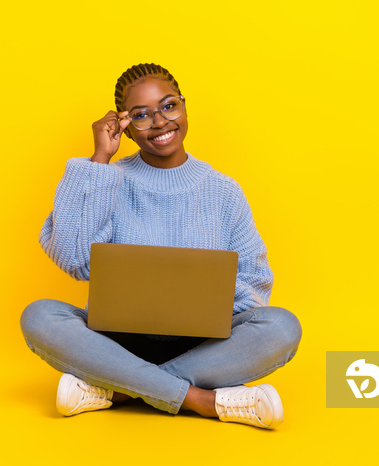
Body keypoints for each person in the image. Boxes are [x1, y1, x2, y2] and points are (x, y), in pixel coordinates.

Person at [20, 63, 302, 429]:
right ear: (125, 127)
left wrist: (201, 294)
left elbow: (255, 281)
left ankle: (118, 389)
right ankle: (201, 400)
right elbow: (73, 257)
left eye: (169, 106)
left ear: (184, 107)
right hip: (116, 344)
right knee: (39, 316)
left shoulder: (224, 191)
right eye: (141, 115)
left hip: (203, 349)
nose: (159, 121)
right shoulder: (111, 178)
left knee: (283, 327)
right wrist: (100, 159)